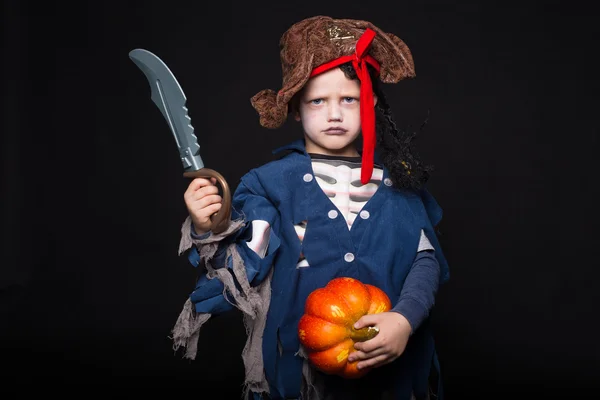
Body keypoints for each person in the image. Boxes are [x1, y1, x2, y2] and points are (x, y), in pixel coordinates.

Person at [171, 15, 450, 400]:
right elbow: (246, 264)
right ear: (296, 109)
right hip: (297, 376)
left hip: (389, 379)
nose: (334, 114)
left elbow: (425, 261)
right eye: (318, 100)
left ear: (369, 103)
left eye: (348, 99)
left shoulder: (399, 187)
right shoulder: (269, 185)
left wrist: (404, 320)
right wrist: (208, 226)